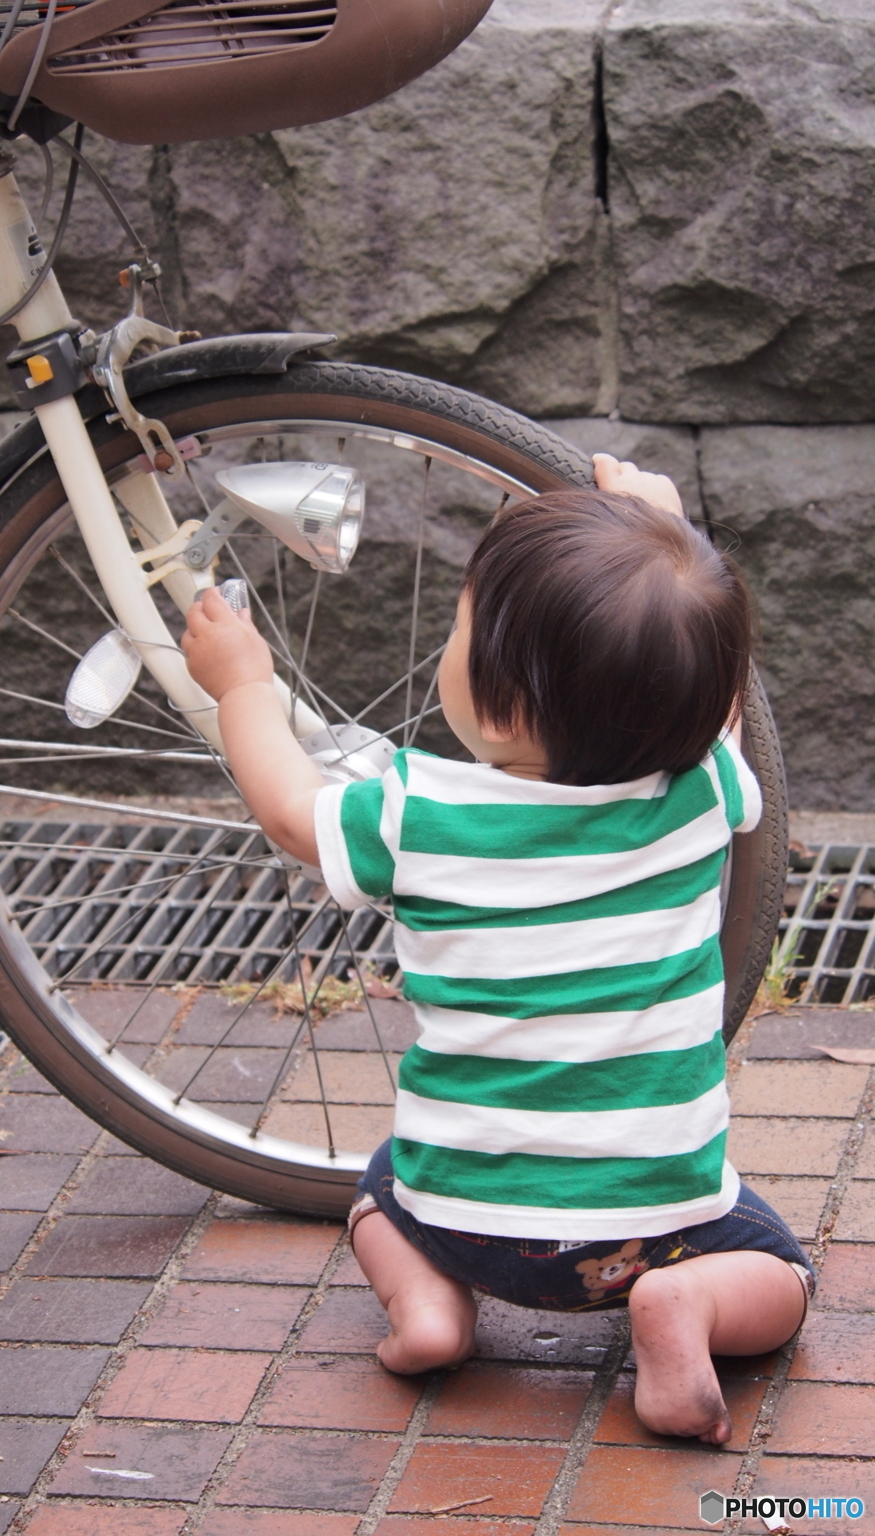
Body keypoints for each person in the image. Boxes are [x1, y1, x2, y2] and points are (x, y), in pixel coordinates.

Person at [181, 452, 813, 1446]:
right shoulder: (698, 795)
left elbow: (292, 813)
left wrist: (242, 684)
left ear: (501, 703)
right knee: (782, 1272)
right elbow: (715, 691)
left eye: (460, 627)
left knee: (379, 1187)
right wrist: (668, 523)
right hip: (652, 1232)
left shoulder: (417, 814)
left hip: (461, 1216)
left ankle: (430, 1310)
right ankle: (683, 1309)